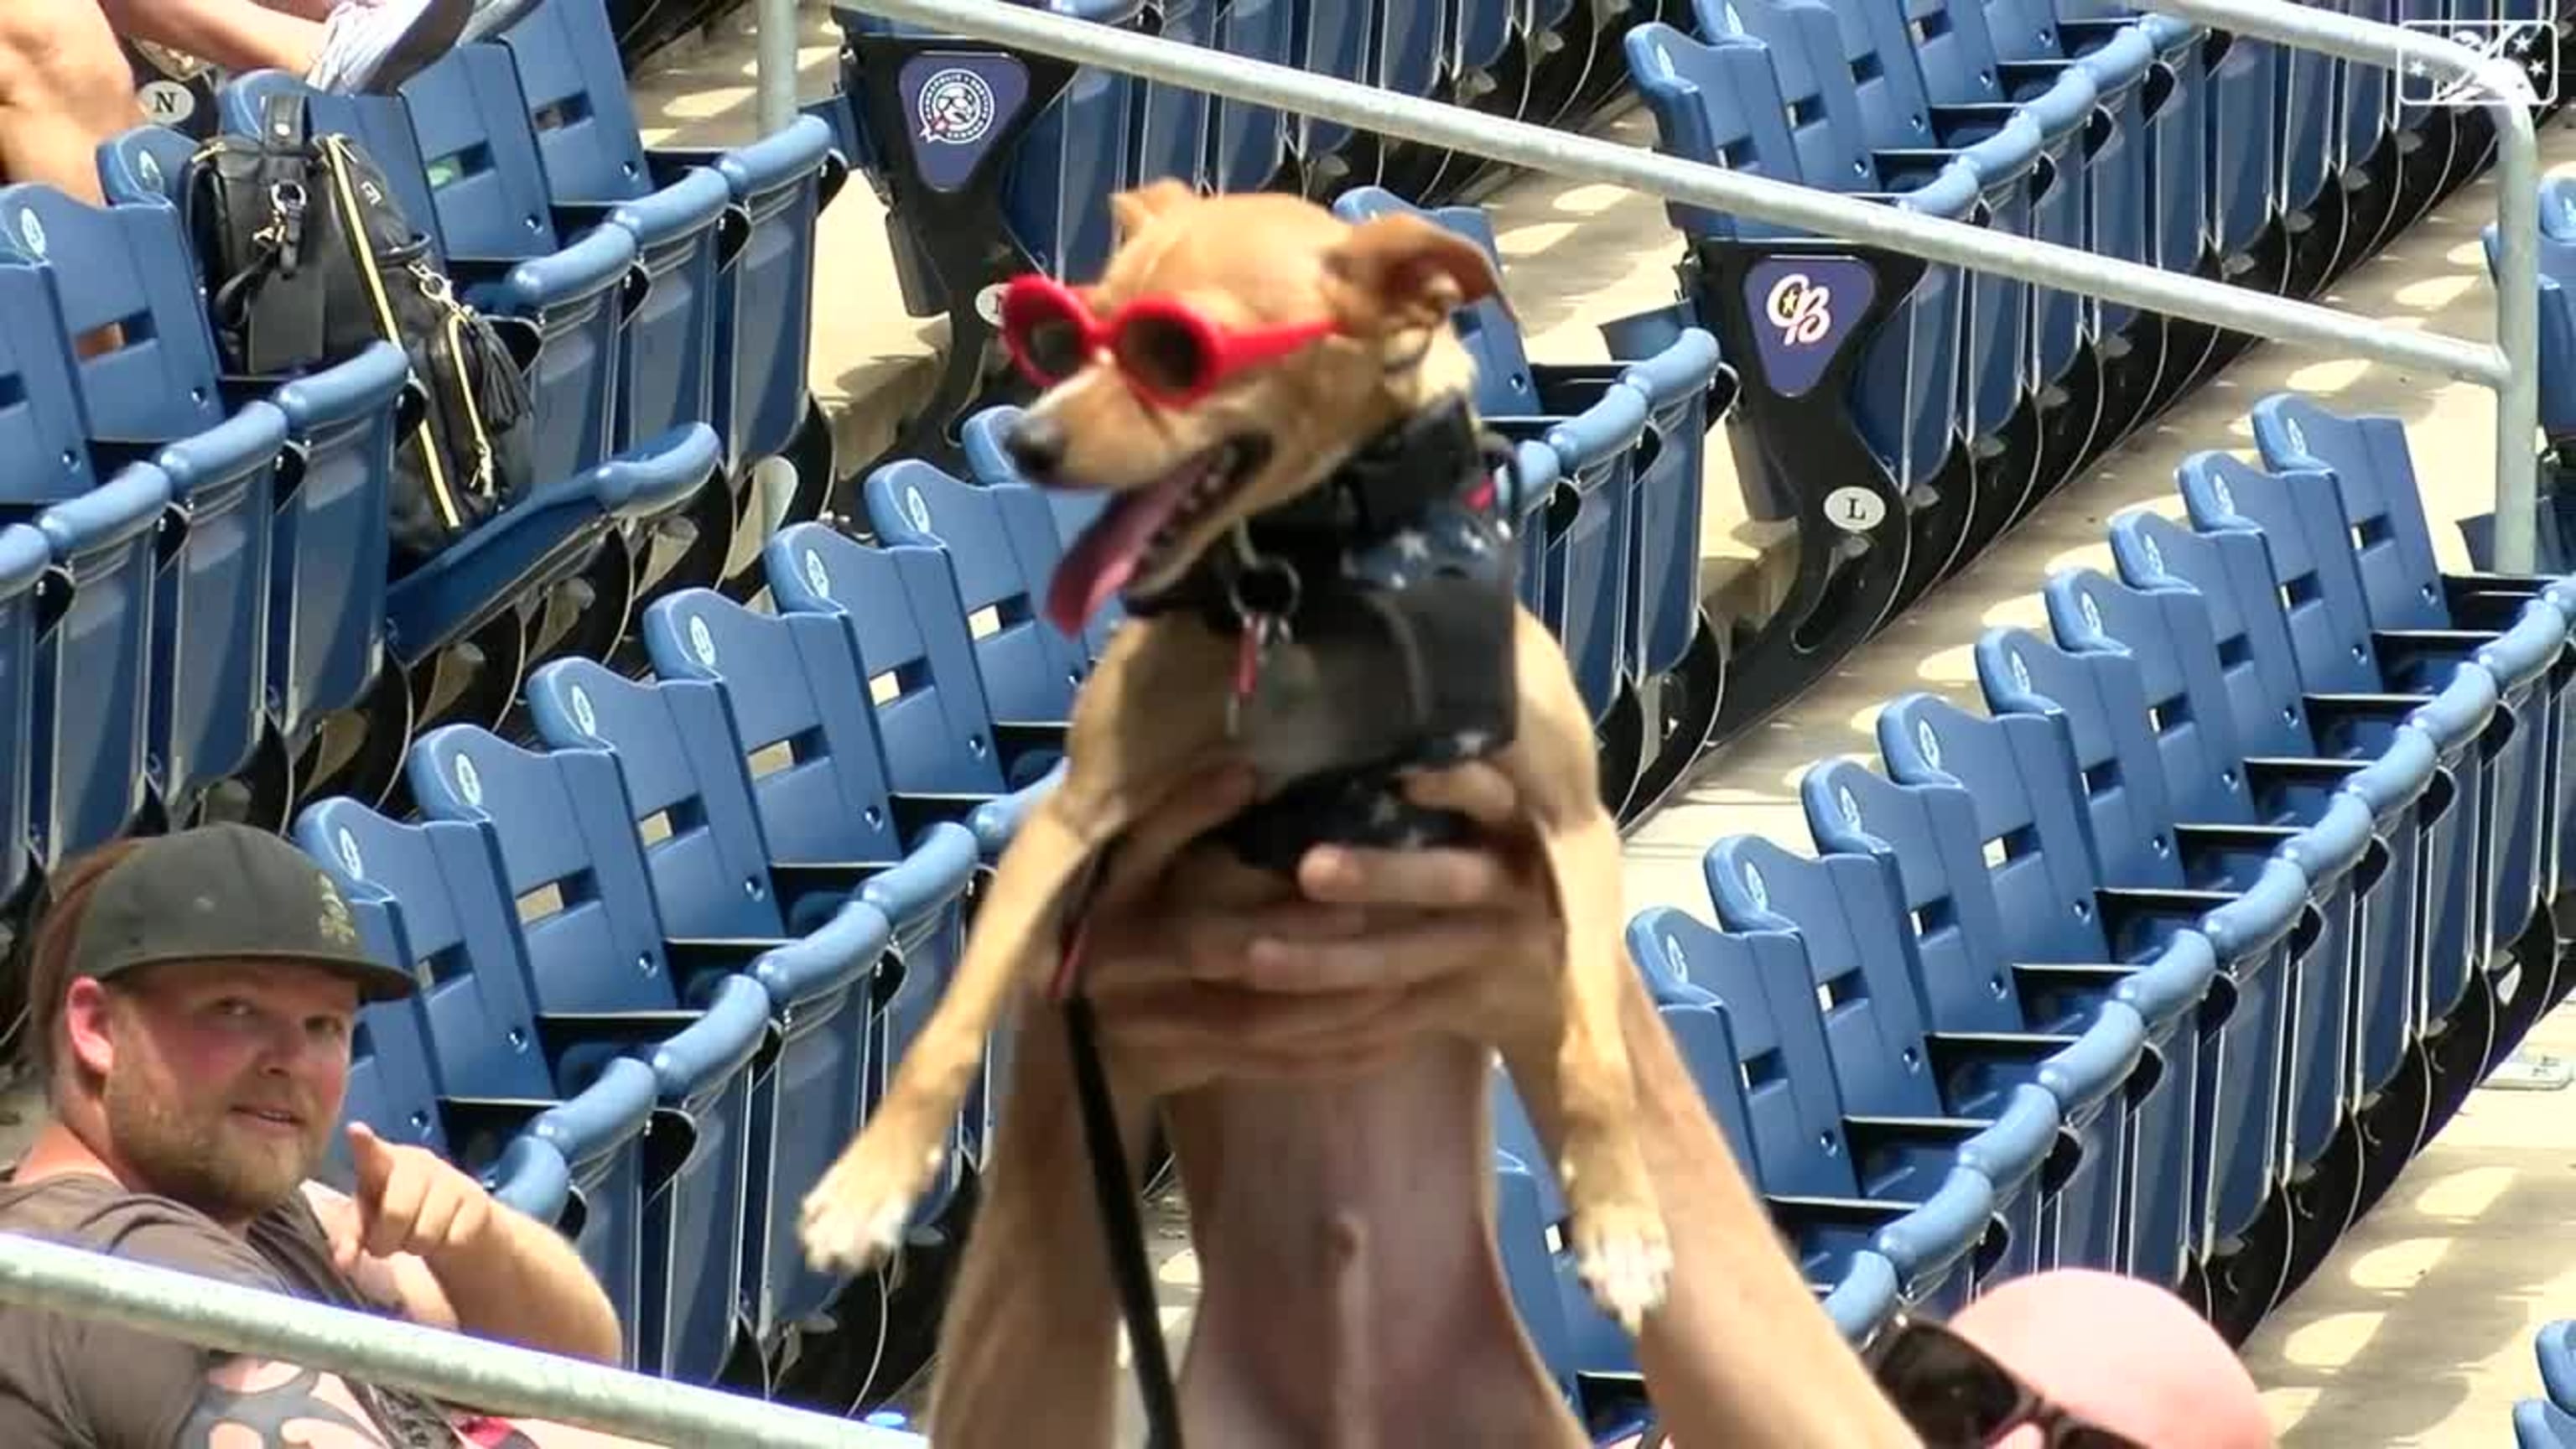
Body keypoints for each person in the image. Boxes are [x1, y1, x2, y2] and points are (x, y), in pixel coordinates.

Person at [0, 824, 663, 1448]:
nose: (290, 1060)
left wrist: (476, 1239)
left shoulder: (257, 1211)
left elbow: (579, 1378)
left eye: (324, 1025)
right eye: (236, 1010)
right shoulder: (119, 1266)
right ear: (98, 1029)